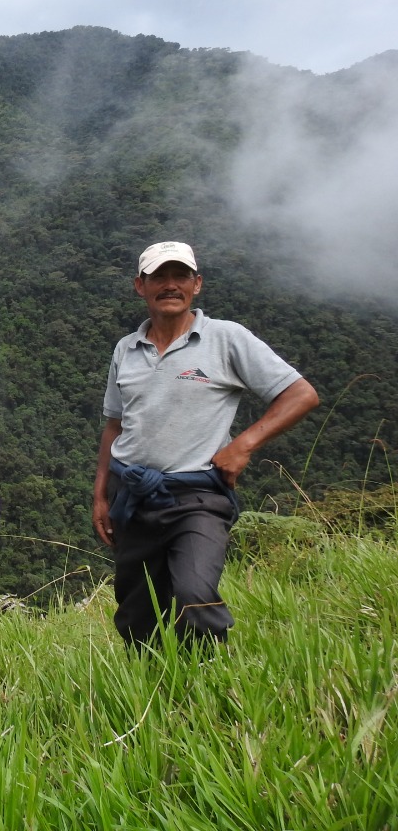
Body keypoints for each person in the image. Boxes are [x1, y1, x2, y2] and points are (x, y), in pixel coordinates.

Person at [92, 241, 320, 647]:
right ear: (139, 286)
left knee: (195, 598)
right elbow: (115, 425)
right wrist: (100, 497)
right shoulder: (126, 349)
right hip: (133, 495)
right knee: (137, 615)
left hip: (196, 496)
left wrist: (244, 444)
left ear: (196, 284)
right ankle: (154, 697)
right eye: (158, 277)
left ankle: (208, 687)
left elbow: (300, 394)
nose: (170, 285)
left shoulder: (225, 338)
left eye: (180, 276)